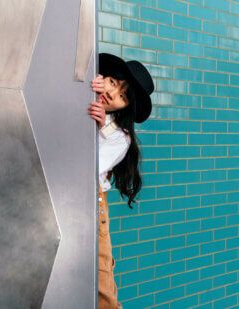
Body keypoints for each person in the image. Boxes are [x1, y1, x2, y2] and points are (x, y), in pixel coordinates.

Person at [88, 53, 154, 309]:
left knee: (102, 283)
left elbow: (88, 168)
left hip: (93, 203)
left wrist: (100, 128)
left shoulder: (119, 137)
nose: (114, 94)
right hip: (61, 195)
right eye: (114, 82)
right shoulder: (84, 97)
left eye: (124, 96)